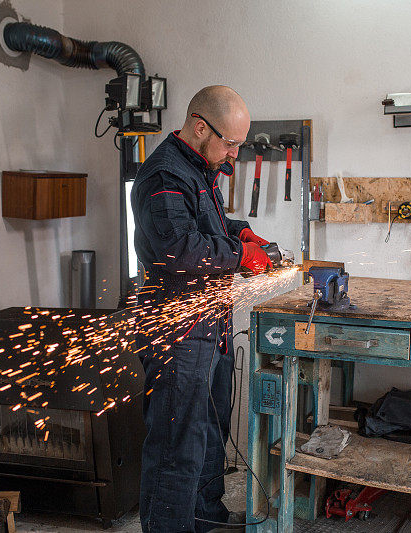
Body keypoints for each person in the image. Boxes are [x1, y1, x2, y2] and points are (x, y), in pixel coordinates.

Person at [131, 85, 273, 532]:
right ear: (199, 126)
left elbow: (202, 223)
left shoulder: (198, 167)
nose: (233, 154)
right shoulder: (164, 175)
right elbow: (179, 248)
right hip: (177, 330)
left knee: (210, 430)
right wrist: (239, 255)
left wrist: (241, 232)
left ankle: (204, 517)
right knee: (178, 444)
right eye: (229, 143)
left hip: (208, 322)